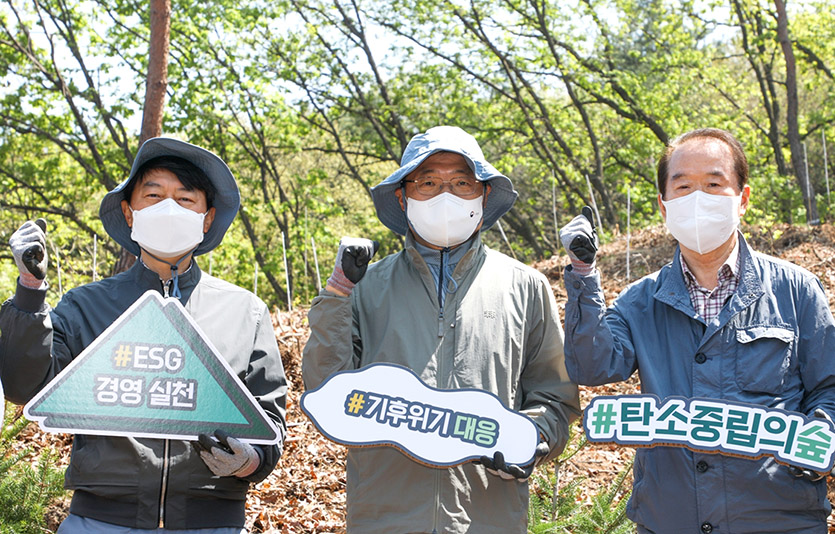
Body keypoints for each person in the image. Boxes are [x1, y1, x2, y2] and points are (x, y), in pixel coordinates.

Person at [303, 125, 580, 534]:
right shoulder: (365, 287)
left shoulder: (524, 286)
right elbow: (326, 388)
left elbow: (554, 395)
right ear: (403, 195)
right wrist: (338, 293)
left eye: (462, 183)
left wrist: (532, 439)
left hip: (487, 516)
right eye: (428, 182)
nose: (445, 195)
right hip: (385, 516)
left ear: (483, 195)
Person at [0, 137, 288, 532]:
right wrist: (30, 292)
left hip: (212, 522)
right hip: (99, 520)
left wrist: (250, 460)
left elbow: (268, 421)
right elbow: (24, 384)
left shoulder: (244, 312)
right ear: (129, 212)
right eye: (153, 195)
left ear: (206, 219)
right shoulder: (86, 305)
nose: (169, 208)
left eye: (185, 200)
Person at [559, 127, 835, 533]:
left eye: (713, 184)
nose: (698, 199)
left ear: (742, 200)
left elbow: (829, 386)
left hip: (780, 519)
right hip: (671, 519)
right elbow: (593, 367)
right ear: (664, 205)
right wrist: (583, 273)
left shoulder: (795, 290)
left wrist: (814, 443)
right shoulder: (641, 300)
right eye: (683, 186)